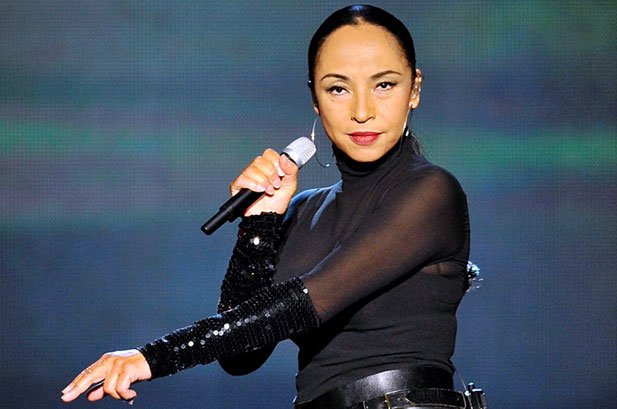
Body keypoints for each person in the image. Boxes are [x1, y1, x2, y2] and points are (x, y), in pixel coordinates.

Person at [61, 5, 475, 408]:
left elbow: (304, 304)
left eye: (383, 85)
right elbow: (240, 357)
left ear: (414, 89)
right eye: (338, 88)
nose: (362, 111)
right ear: (315, 99)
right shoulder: (303, 210)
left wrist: (153, 357)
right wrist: (259, 223)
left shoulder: (432, 193)